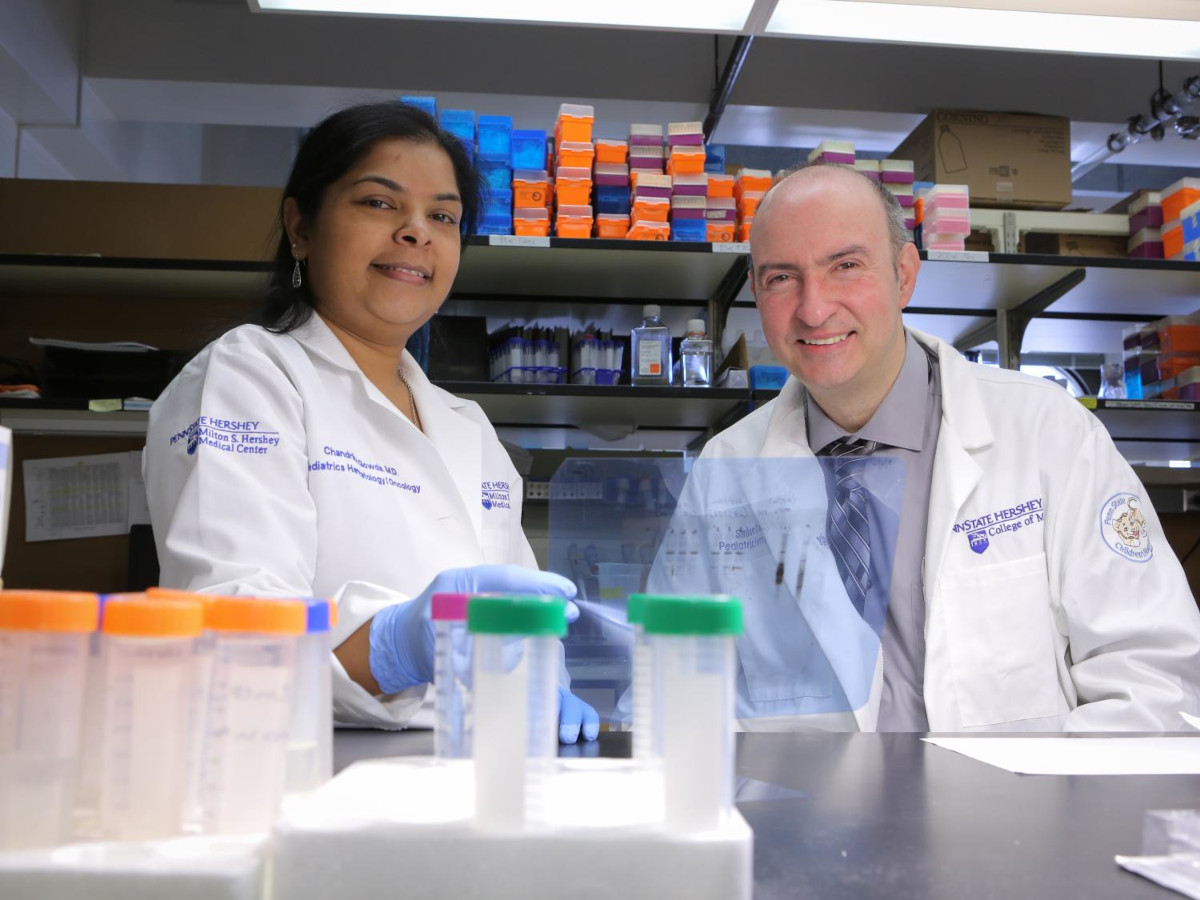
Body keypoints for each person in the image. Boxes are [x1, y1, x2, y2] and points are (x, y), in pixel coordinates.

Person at [143, 102, 599, 743]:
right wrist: (394, 644)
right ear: (301, 228)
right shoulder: (249, 375)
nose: (417, 232)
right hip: (301, 767)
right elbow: (232, 623)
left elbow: (520, 622)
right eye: (380, 204)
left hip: (471, 774)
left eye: (443, 216)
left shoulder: (468, 428)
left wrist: (543, 681)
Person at [700, 162, 1200, 731]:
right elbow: (692, 684)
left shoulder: (1050, 434)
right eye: (781, 278)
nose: (814, 309)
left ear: (904, 275)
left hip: (1016, 814)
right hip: (807, 814)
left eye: (846, 266)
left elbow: (1155, 678)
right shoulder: (728, 468)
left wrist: (1041, 809)